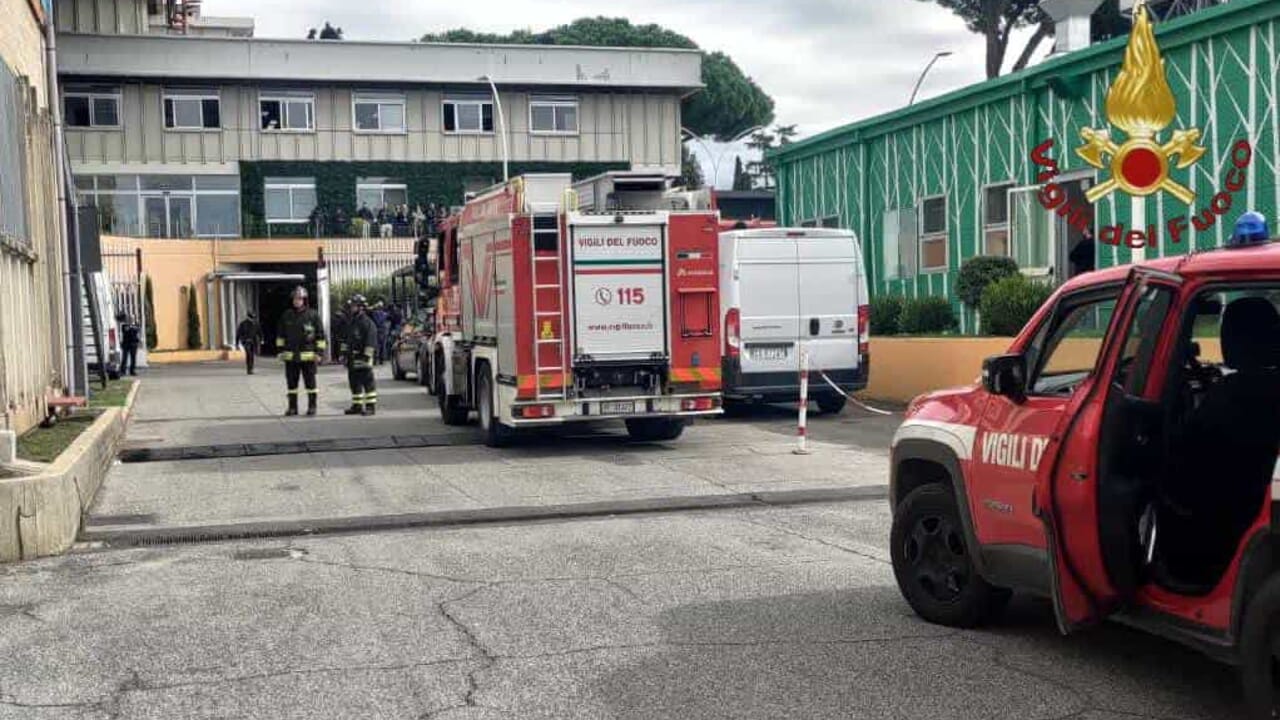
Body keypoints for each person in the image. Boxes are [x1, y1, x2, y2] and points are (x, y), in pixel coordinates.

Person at [276, 286, 326, 416]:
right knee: (292, 385)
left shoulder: (313, 315)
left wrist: (319, 353)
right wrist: (280, 351)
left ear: (304, 300)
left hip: (309, 357)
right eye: (294, 299)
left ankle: (312, 407)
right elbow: (280, 335)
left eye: (299, 299)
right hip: (291, 357)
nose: (296, 301)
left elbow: (320, 336)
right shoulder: (287, 315)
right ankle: (292, 408)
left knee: (311, 384)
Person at [343, 294, 379, 416]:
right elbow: (346, 340)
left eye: (354, 306)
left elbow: (371, 341)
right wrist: (344, 354)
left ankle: (370, 407)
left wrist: (366, 356)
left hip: (363, 359)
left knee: (368, 383)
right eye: (351, 305)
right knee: (354, 383)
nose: (351, 308)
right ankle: (357, 406)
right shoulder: (352, 321)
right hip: (352, 359)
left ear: (361, 307)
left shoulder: (367, 323)